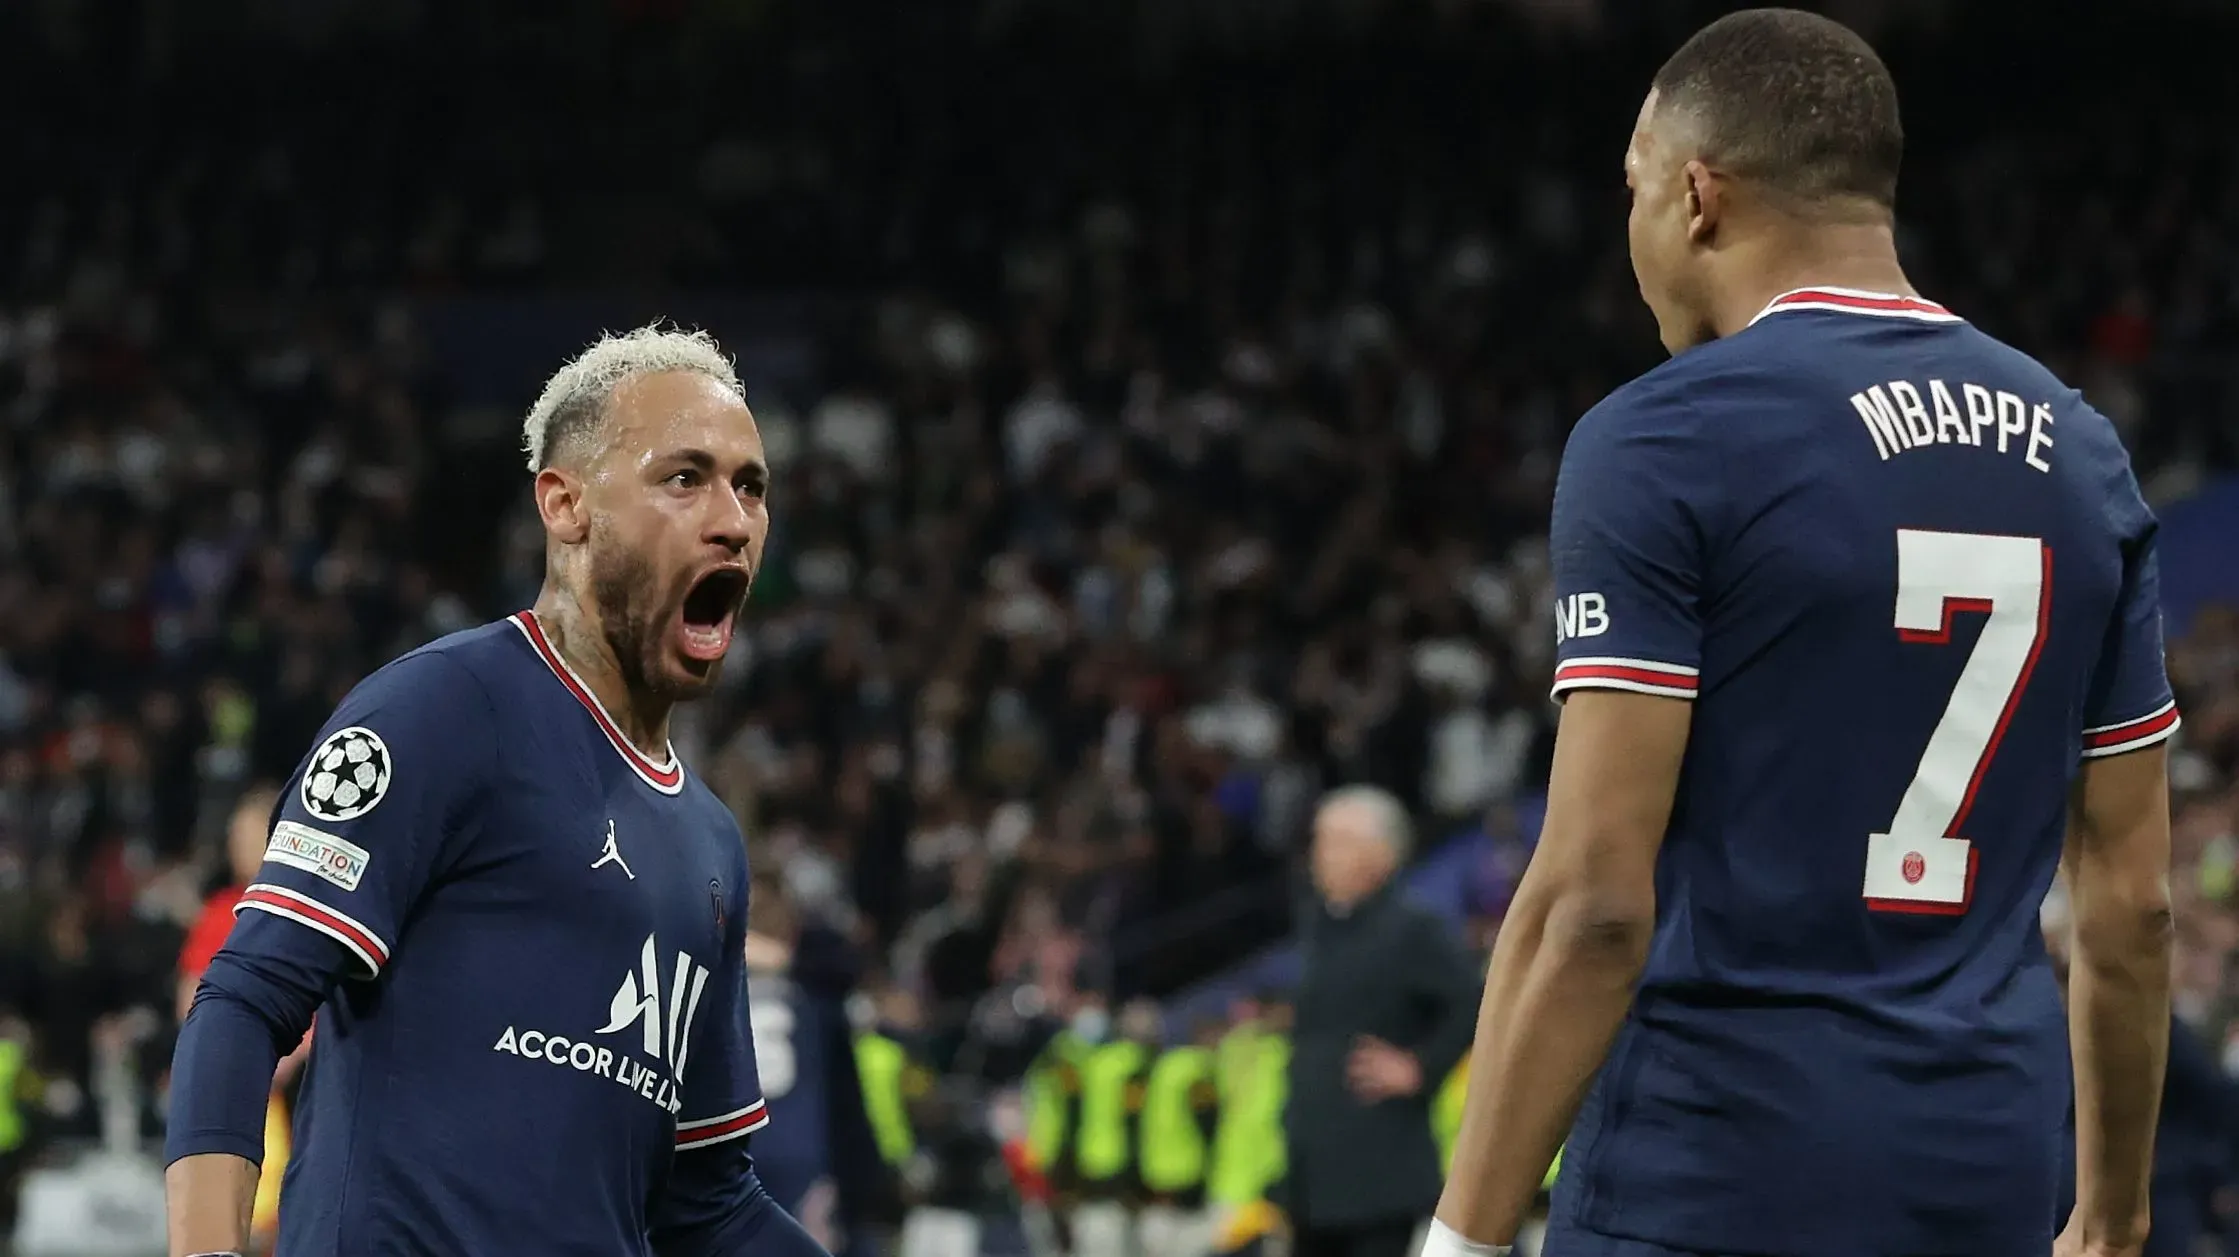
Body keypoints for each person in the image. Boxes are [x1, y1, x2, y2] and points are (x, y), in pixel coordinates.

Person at [1430, 11, 2178, 1257]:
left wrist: (1462, 1238)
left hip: (1714, 1166)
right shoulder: (2081, 451)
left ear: (1695, 195)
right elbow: (2133, 908)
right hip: (1981, 1171)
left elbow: (1594, 907)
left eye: (1631, 192)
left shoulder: (1667, 438)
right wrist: (2110, 1215)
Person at [163, 325, 827, 1257]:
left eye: (750, 485)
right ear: (565, 503)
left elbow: (706, 1201)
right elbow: (243, 999)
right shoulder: (443, 708)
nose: (732, 519)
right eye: (684, 478)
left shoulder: (711, 843)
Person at [1288, 786, 1477, 1257]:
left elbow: (1473, 1001)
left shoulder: (1413, 927)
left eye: (1336, 840)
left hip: (1377, 1167)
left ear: (1381, 853)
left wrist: (1421, 1066)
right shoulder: (1322, 926)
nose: (1319, 854)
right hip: (1313, 1170)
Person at [171, 783, 300, 1252]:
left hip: (297, 1086)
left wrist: (289, 1056)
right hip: (240, 1087)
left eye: (251, 838)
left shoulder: (306, 913)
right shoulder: (221, 912)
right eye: (237, 839)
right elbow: (193, 997)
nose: (242, 850)